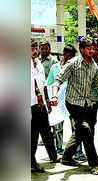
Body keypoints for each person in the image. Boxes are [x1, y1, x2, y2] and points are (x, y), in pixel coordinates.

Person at [51, 36, 98, 175]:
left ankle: (66, 157)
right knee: (86, 130)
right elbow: (58, 79)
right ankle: (94, 164)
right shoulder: (73, 63)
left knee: (80, 132)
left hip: (87, 103)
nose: (92, 51)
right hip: (73, 103)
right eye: (88, 48)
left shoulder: (94, 66)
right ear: (81, 49)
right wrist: (54, 95)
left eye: (93, 49)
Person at [31, 40, 59, 173]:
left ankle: (53, 156)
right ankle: (31, 162)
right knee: (33, 136)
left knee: (46, 131)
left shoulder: (38, 64)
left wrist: (47, 100)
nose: (35, 51)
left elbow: (43, 85)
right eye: (32, 48)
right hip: (30, 104)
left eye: (35, 48)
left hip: (40, 104)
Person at [47, 44, 78, 156]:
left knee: (76, 127)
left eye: (73, 56)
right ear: (64, 55)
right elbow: (49, 84)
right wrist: (50, 100)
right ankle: (59, 149)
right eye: (69, 55)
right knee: (58, 127)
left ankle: (77, 151)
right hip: (59, 102)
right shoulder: (55, 68)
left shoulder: (76, 67)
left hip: (73, 101)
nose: (70, 58)